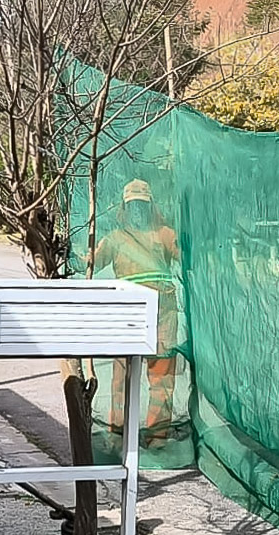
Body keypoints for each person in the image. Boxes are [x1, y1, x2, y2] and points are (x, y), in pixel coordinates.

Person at [93, 179, 182, 446]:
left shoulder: (165, 234)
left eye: (142, 205)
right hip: (127, 314)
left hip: (162, 313)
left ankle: (157, 436)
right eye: (132, 206)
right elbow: (91, 262)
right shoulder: (115, 239)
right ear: (124, 208)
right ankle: (117, 433)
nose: (138, 211)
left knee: (162, 375)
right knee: (121, 376)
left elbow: (187, 257)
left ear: (151, 205)